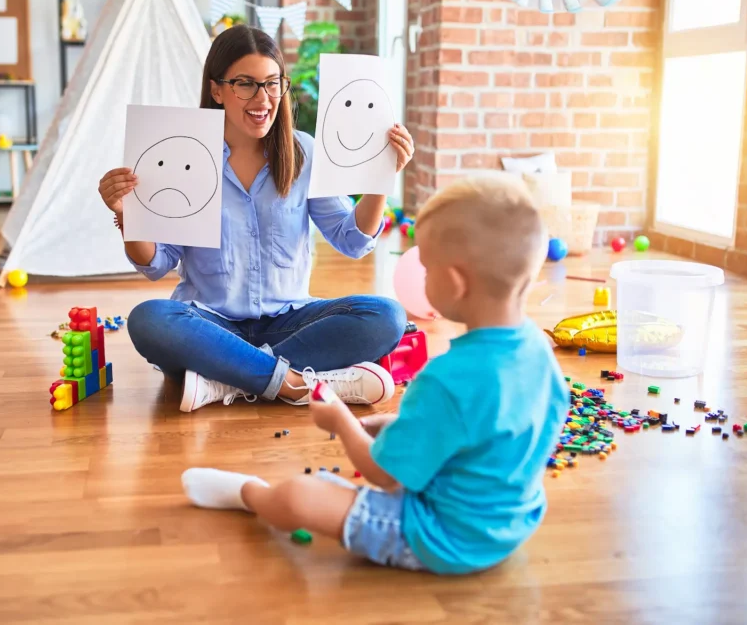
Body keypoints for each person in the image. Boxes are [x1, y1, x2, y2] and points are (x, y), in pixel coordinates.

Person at [179, 173, 570, 575]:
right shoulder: (538, 348)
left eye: (426, 268)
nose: (422, 278)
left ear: (454, 283)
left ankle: (251, 494)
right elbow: (503, 425)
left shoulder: (445, 378)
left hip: (442, 536)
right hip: (510, 525)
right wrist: (407, 426)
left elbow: (383, 475)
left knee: (298, 496)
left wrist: (341, 422)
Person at [97, 25, 413, 412]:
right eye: (245, 84)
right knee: (150, 319)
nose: (262, 98)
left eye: (272, 83)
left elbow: (352, 241)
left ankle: (223, 380)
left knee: (386, 315)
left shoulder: (303, 153)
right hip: (211, 324)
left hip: (290, 320)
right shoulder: (185, 154)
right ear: (217, 90)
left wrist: (379, 177)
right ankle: (295, 382)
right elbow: (156, 263)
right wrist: (129, 215)